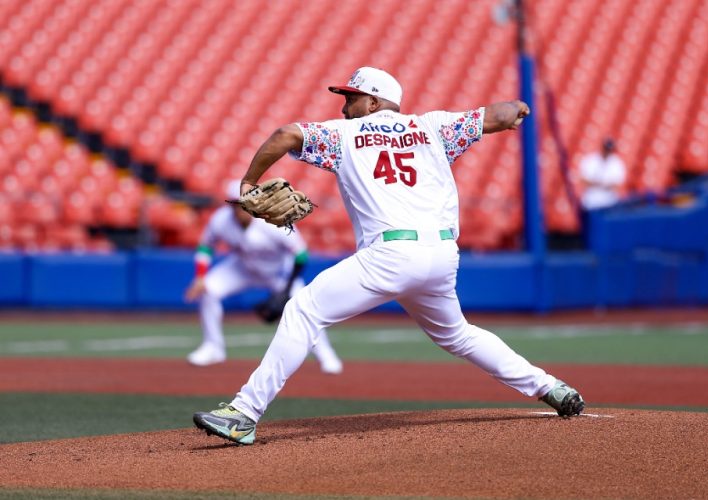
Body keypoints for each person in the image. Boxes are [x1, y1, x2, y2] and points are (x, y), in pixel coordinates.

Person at [193, 67, 584, 445]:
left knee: (302, 310)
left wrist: (249, 181)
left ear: (373, 103)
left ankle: (244, 414)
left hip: (390, 254)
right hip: (442, 255)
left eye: (352, 98)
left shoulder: (344, 135)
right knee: (458, 334)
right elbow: (499, 115)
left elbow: (286, 134)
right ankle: (550, 386)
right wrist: (517, 108)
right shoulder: (434, 127)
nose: (344, 106)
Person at [184, 179, 343, 375]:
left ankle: (325, 354)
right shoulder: (221, 220)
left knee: (303, 307)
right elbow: (206, 246)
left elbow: (301, 254)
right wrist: (200, 276)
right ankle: (213, 347)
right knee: (208, 289)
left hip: (278, 271)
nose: (242, 209)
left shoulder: (273, 220)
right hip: (242, 267)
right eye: (237, 204)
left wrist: (285, 292)